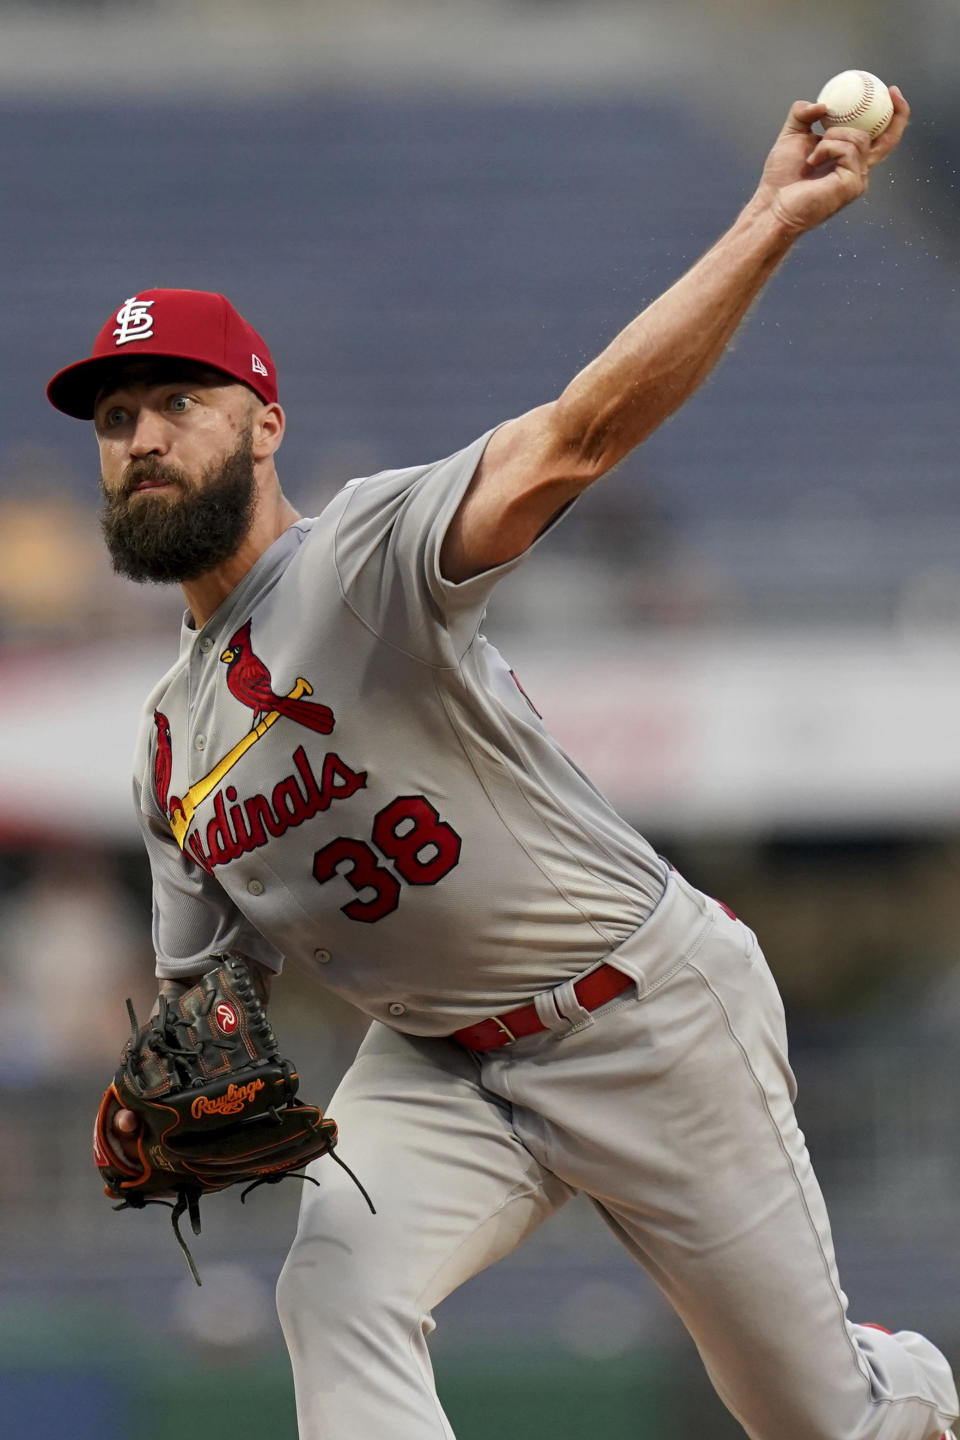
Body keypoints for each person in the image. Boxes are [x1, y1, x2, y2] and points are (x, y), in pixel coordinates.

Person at [48, 93, 958, 1440]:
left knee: (817, 1423)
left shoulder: (361, 561)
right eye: (116, 417)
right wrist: (168, 1087)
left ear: (265, 424)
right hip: (437, 1066)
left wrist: (770, 220)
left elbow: (576, 437)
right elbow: (215, 999)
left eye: (179, 399)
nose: (142, 437)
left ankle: (911, 1385)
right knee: (336, 1285)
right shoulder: (170, 748)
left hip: (644, 1016)